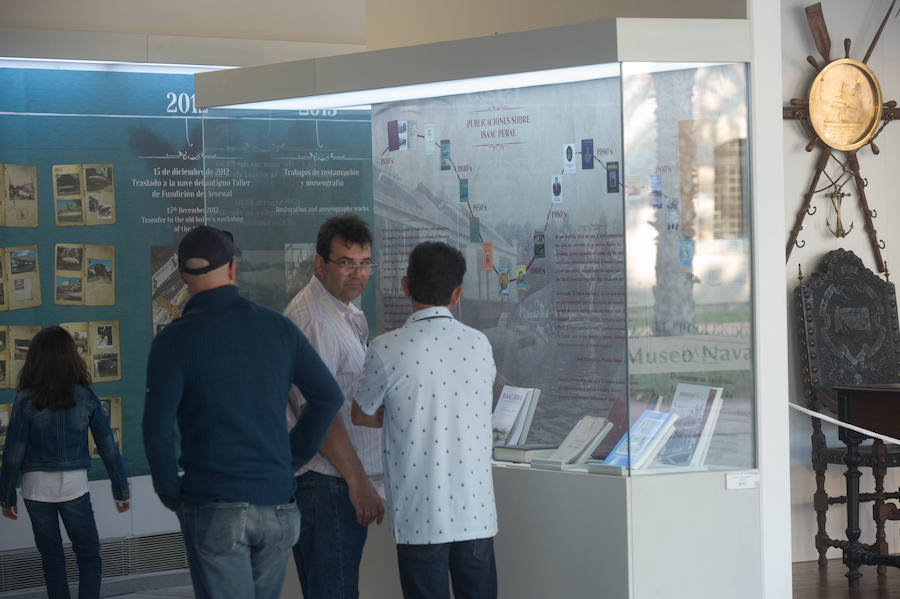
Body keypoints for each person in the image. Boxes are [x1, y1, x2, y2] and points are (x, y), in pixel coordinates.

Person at [143, 225, 343, 599]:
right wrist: (289, 457)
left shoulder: (173, 340)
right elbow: (328, 397)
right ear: (233, 269)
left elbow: (156, 431)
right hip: (278, 505)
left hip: (213, 504)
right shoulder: (278, 328)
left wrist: (174, 494)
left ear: (183, 277)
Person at [352, 241, 498, 599]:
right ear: (457, 294)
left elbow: (360, 412)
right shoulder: (479, 343)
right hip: (476, 516)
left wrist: (401, 416)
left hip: (420, 516)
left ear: (405, 286)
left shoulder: (386, 347)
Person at [283, 214, 385, 599]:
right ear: (319, 263)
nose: (356, 274)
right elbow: (319, 413)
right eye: (345, 263)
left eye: (364, 264)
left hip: (332, 483)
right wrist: (358, 482)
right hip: (327, 485)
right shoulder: (315, 321)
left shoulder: (343, 311)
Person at [0, 326, 130, 599]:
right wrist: (121, 490)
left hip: (35, 490)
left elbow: (13, 452)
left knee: (52, 559)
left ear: (34, 359)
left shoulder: (24, 400)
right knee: (89, 556)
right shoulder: (86, 396)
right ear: (72, 357)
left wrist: (6, 494)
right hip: (74, 487)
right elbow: (108, 447)